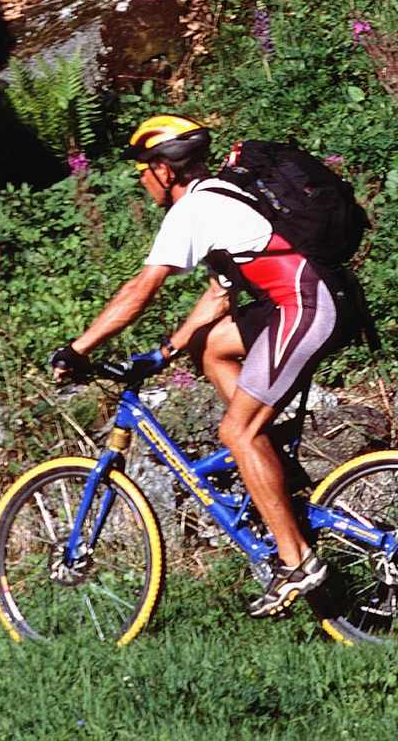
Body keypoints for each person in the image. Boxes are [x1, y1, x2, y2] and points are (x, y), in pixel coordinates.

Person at [51, 114, 347, 618]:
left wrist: (78, 349)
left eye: (143, 169)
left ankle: (296, 561)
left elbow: (138, 293)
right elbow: (217, 298)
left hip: (306, 307)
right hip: (311, 301)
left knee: (237, 432)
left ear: (164, 171)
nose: (143, 181)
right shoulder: (222, 196)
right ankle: (266, 454)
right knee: (211, 348)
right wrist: (166, 352)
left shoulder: (194, 209)